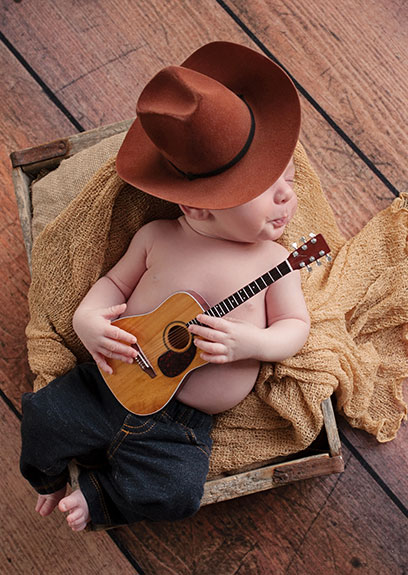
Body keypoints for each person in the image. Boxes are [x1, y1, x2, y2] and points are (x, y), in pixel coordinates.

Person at [19, 41, 311, 531]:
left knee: (177, 492)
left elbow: (295, 325)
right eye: (266, 189)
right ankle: (47, 477)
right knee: (43, 418)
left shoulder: (277, 261)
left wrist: (251, 343)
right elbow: (112, 283)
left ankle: (100, 497)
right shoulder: (157, 237)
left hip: (179, 427)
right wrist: (87, 319)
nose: (288, 194)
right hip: (109, 384)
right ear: (198, 209)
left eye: (290, 175)